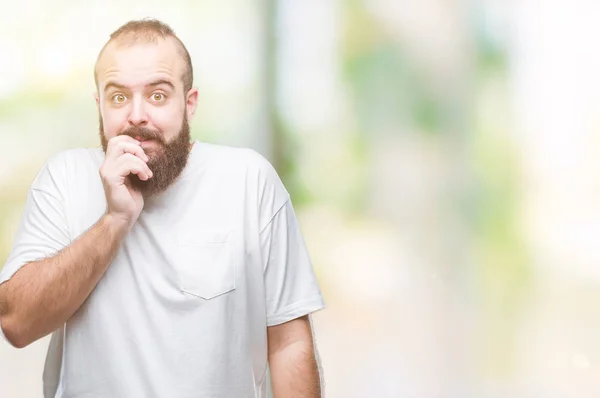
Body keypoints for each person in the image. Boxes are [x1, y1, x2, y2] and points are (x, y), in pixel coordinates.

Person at [0, 19, 325, 398]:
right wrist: (114, 221)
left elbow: (288, 344)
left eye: (157, 95)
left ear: (189, 104)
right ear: (99, 105)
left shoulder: (249, 181)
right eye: (118, 97)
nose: (136, 115)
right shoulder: (64, 178)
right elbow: (16, 323)